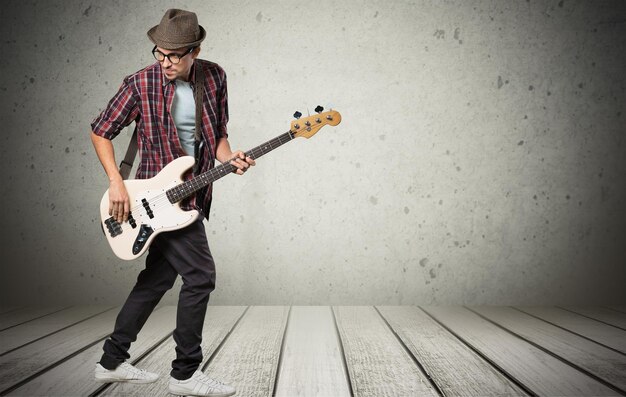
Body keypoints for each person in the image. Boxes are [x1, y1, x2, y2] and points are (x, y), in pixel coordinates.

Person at [90, 9, 253, 397]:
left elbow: (219, 136)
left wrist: (230, 158)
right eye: (158, 53)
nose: (163, 62)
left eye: (173, 56)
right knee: (200, 277)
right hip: (154, 201)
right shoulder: (140, 83)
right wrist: (116, 182)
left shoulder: (215, 77)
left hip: (193, 196)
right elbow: (100, 131)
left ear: (195, 51)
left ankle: (110, 362)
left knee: (157, 279)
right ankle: (185, 374)